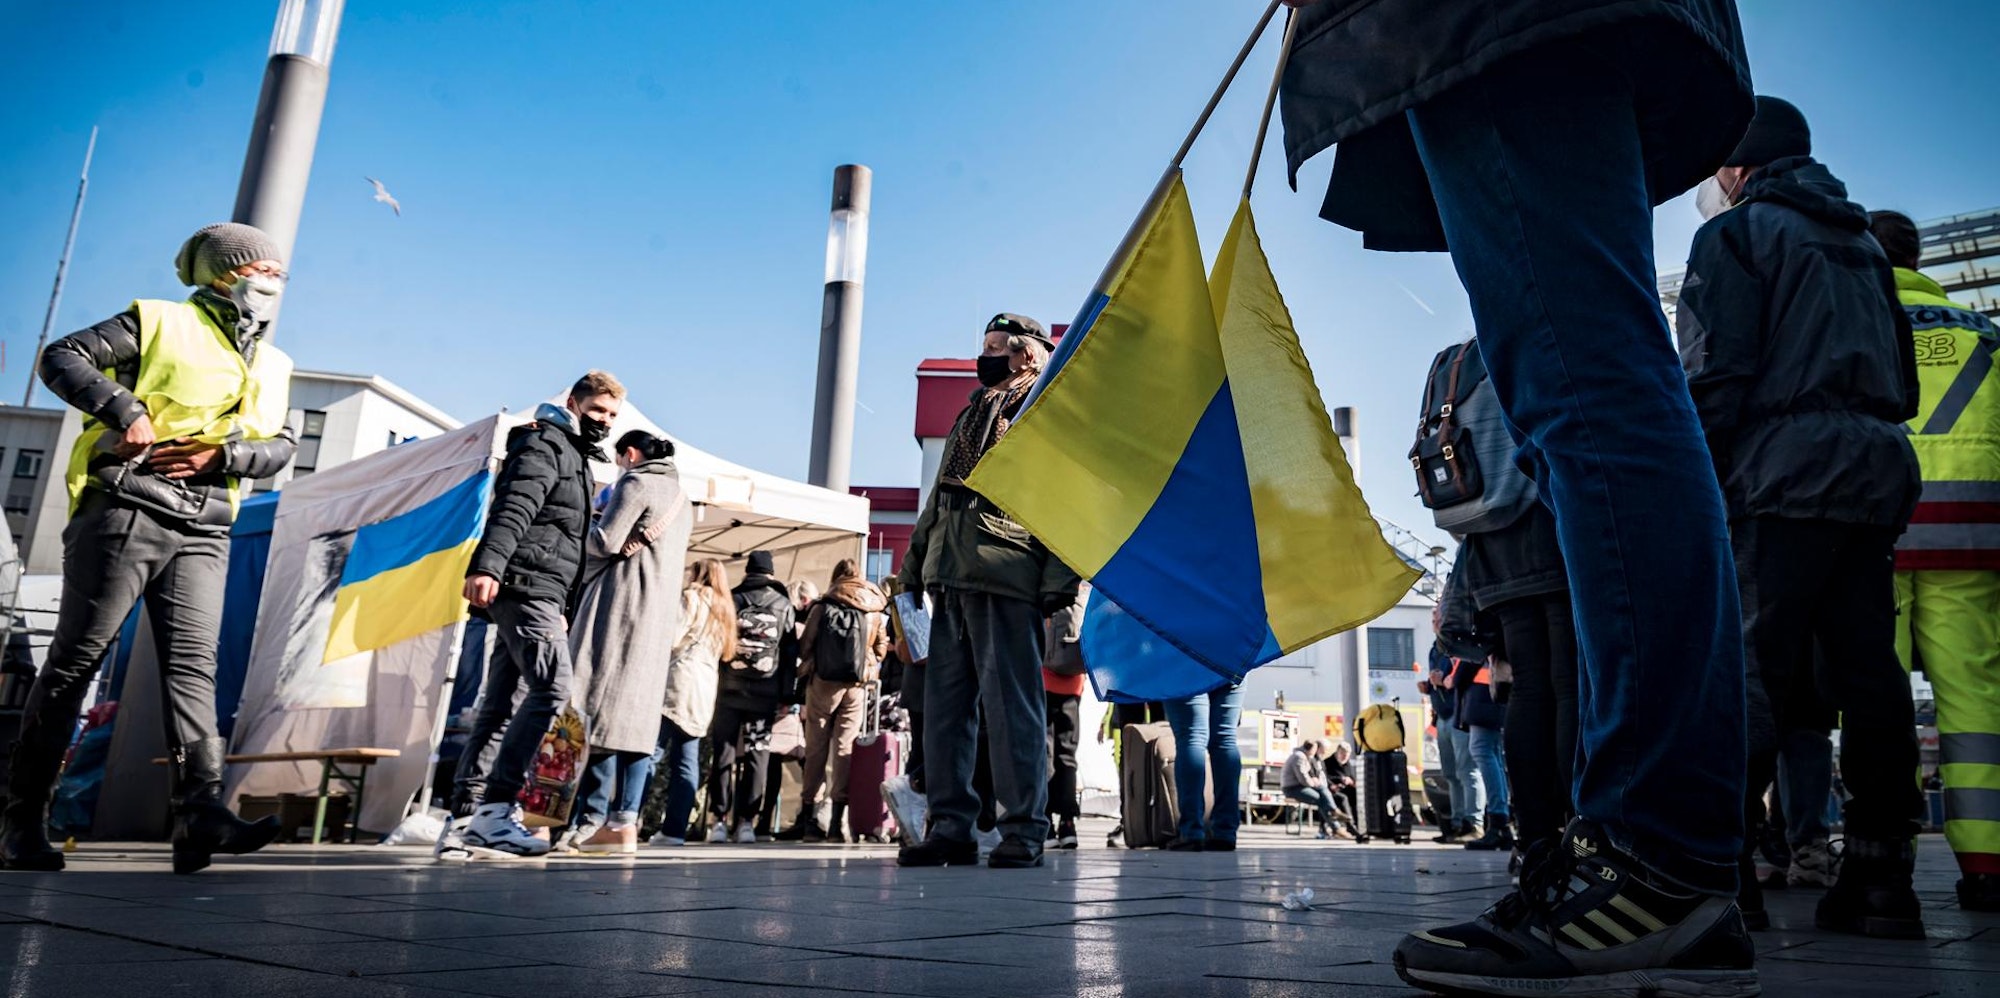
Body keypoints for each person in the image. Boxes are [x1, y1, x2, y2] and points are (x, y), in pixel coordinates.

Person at [1280, 0, 1760, 990]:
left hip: (1489, 20)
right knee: (1591, 379)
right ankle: (1671, 860)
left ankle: (1655, 855)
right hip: (1526, 23)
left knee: (1584, 383)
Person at [1679, 97, 1924, 938]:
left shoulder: (1736, 237)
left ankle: (1727, 874)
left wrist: (1699, 487)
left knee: (1751, 669)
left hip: (1781, 478)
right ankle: (1884, 877)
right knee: (1870, 673)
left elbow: (1717, 375)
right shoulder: (1861, 242)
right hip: (1873, 472)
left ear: (1739, 167)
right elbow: (1908, 384)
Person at [0, 223, 297, 875]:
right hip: (129, 507)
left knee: (195, 670)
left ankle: (199, 815)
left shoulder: (274, 364)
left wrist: (223, 454)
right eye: (264, 270)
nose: (276, 282)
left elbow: (281, 446)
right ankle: (21, 820)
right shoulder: (159, 322)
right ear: (225, 273)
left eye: (280, 273)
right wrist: (124, 410)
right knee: (76, 661)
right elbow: (62, 355)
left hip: (208, 522)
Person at [897, 313, 1081, 870]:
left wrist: (1058, 583)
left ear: (1029, 354)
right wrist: (912, 567)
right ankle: (950, 826)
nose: (987, 356)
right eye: (984, 346)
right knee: (946, 711)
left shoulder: (1045, 412)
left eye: (997, 347)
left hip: (1008, 573)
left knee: (1012, 710)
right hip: (949, 576)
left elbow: (1066, 503)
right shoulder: (974, 411)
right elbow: (941, 501)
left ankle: (1023, 828)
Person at [1869, 209, 2000, 912]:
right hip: (1972, 538)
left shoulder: (1856, 325)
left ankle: (1882, 858)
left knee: (1879, 696)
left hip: (1878, 531)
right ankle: (1987, 861)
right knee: (1975, 696)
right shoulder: (1985, 336)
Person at [443, 371, 625, 859]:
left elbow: (567, 541)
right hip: (526, 584)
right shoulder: (545, 444)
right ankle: (497, 808)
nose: (604, 422)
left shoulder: (577, 457)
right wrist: (487, 565)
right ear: (573, 402)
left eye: (611, 415)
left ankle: (467, 817)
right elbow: (515, 505)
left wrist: (564, 608)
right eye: (598, 411)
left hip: (538, 589)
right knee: (551, 689)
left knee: (502, 702)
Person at [565, 431, 691, 854]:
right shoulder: (682, 498)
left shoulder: (635, 483)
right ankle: (626, 820)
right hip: (656, 616)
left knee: (598, 706)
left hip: (619, 604)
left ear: (630, 454)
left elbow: (606, 541)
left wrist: (585, 522)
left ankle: (592, 820)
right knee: (638, 721)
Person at [777, 558, 889, 843]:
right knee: (844, 749)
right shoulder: (873, 607)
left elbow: (806, 647)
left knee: (815, 749)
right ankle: (837, 822)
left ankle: (810, 821)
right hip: (857, 686)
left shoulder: (824, 604)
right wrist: (867, 665)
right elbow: (881, 647)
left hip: (823, 684)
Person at [708, 550, 797, 844]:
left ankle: (718, 821)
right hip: (765, 694)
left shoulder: (730, 599)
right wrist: (786, 695)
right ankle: (747, 822)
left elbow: (718, 645)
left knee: (723, 754)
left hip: (728, 692)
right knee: (758, 755)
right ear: (770, 573)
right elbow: (788, 655)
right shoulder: (783, 605)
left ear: (748, 571)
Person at [650, 560, 738, 847]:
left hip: (679, 679)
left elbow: (671, 637)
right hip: (704, 687)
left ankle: (624, 817)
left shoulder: (692, 597)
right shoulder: (726, 609)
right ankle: (675, 830)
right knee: (687, 761)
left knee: (650, 753)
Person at [1161, 680, 1244, 852]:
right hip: (1233, 659)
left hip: (1187, 659)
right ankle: (1225, 832)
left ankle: (1191, 831)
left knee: (1192, 736)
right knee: (1225, 739)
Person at [1042, 584, 1088, 851]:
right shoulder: (1082, 585)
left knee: (1045, 751)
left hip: (1044, 678)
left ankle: (1046, 821)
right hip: (1073, 682)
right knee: (1067, 753)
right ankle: (1068, 824)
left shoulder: (1046, 585)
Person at [1419, 637, 1475, 844]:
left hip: (1458, 713)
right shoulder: (1436, 648)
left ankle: (1472, 822)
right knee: (1451, 773)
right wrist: (1430, 686)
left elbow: (1460, 676)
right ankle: (1457, 823)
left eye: (1438, 616)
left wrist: (1443, 681)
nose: (1436, 621)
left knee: (1465, 771)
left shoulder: (1459, 642)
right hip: (1442, 715)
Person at [1280, 739, 1339, 840]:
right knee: (1320, 798)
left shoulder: (1304, 756)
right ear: (1312, 749)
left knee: (1323, 795)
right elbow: (1303, 778)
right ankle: (1335, 826)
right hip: (1292, 788)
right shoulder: (1300, 757)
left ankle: (1334, 824)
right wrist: (1315, 783)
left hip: (1298, 786)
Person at [1326, 741, 1360, 836]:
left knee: (1357, 795)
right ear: (1337, 752)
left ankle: (1357, 824)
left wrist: (1351, 781)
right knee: (1343, 798)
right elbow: (1326, 778)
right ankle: (1350, 825)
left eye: (1347, 755)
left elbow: (1353, 778)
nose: (1344, 757)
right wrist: (1340, 779)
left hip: (1346, 789)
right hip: (1333, 790)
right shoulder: (1328, 762)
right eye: (1342, 754)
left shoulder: (1347, 764)